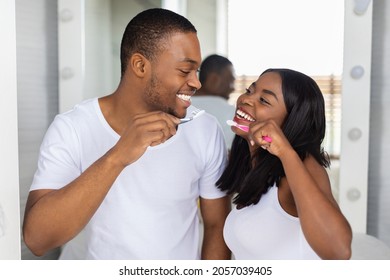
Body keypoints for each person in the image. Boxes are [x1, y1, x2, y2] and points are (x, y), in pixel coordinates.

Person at [22, 8, 231, 260]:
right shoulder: (72, 128)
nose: (196, 83)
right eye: (185, 70)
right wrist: (118, 156)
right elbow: (37, 240)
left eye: (196, 71)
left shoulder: (205, 130)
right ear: (140, 65)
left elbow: (216, 226)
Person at [216, 68, 352, 259]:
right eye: (249, 90)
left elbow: (339, 250)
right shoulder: (252, 166)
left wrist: (285, 151)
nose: (246, 99)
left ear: (293, 120)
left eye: (264, 100)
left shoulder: (304, 166)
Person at [191, 54, 236, 148]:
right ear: (213, 80)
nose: (233, 89)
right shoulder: (229, 112)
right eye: (231, 81)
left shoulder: (177, 106)